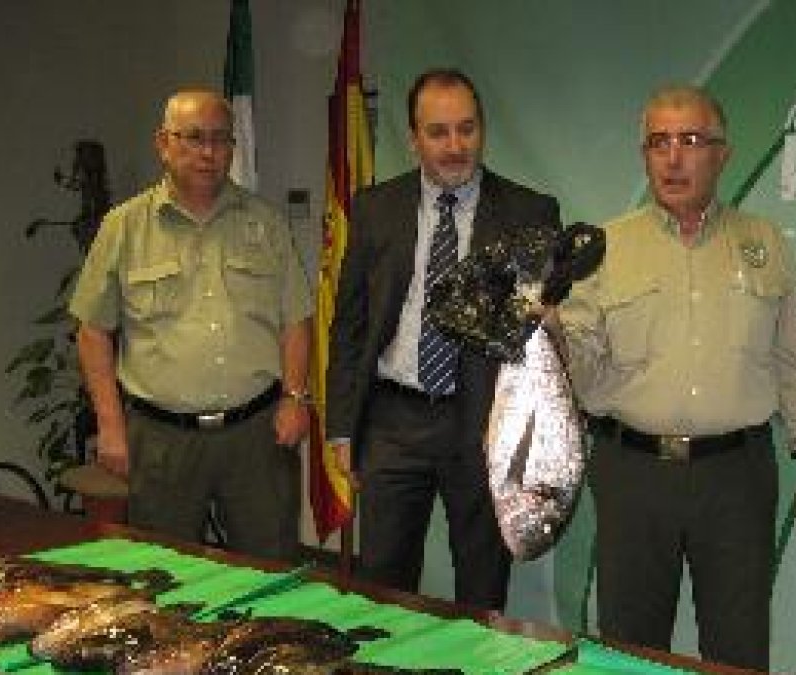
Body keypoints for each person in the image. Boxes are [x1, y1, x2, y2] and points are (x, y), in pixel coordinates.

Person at [548, 85, 796, 670]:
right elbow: (575, 368)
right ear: (644, 155)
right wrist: (547, 328)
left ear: (722, 154)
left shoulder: (764, 243)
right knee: (629, 647)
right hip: (633, 474)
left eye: (690, 141)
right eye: (658, 143)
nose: (673, 158)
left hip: (737, 478)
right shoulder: (603, 247)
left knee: (738, 647)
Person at [325, 68, 561, 610]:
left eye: (467, 129)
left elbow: (539, 336)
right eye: (438, 132)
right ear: (414, 137)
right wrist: (342, 425)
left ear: (482, 130)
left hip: (482, 422)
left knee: (482, 588)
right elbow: (350, 325)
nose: (455, 146)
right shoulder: (374, 209)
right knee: (383, 584)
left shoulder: (531, 212)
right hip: (392, 419)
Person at [70, 89, 313, 560]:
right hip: (161, 441)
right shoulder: (123, 227)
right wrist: (111, 425)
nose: (208, 152)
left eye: (221, 139)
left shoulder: (266, 223)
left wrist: (296, 398)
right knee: (163, 575)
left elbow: (295, 320)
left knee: (271, 569)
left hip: (257, 436)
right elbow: (93, 332)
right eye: (193, 138)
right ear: (163, 143)